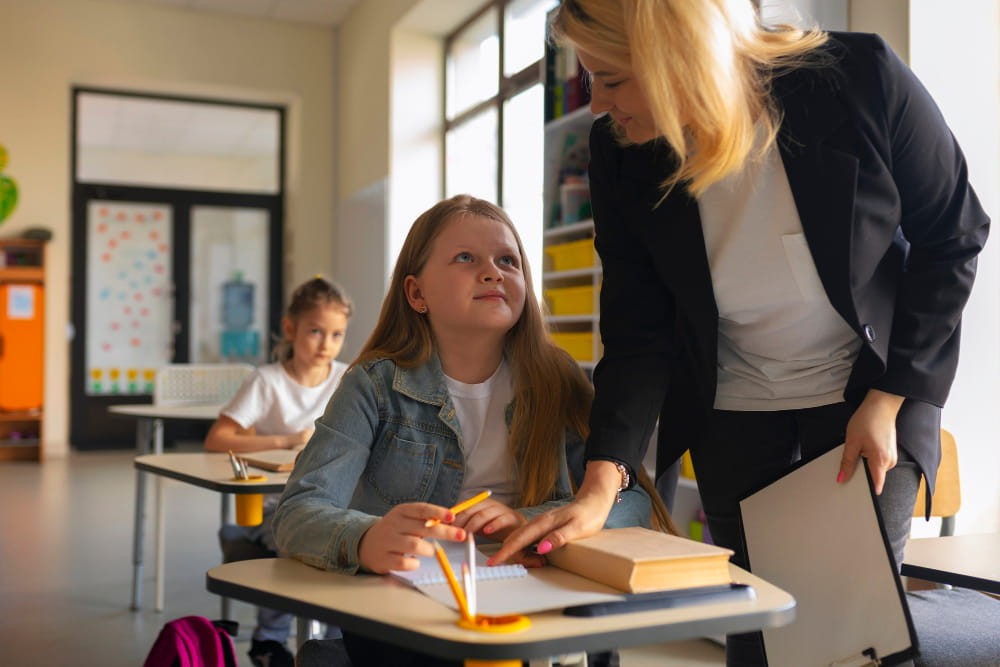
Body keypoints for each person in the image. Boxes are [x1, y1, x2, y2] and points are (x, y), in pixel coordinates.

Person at [492, 2, 989, 665]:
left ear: (678, 59)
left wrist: (891, 398)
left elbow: (952, 236)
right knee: (757, 640)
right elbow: (639, 329)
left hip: (866, 402)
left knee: (849, 643)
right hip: (735, 408)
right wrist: (600, 485)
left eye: (610, 80)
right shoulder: (621, 155)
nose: (600, 108)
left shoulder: (858, 79)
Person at [273, 194, 672, 667]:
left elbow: (632, 503)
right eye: (466, 258)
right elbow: (296, 512)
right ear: (417, 294)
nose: (493, 271)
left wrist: (531, 520)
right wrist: (367, 538)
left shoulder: (558, 379)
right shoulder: (373, 384)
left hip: (538, 611)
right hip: (408, 622)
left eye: (508, 260)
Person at [205, 276, 353, 667]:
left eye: (337, 335)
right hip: (277, 505)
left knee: (354, 543)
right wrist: (286, 441)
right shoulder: (266, 381)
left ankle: (337, 641)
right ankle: (269, 641)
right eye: (316, 331)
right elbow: (218, 439)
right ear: (291, 329)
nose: (326, 344)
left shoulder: (347, 378)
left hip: (333, 502)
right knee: (305, 547)